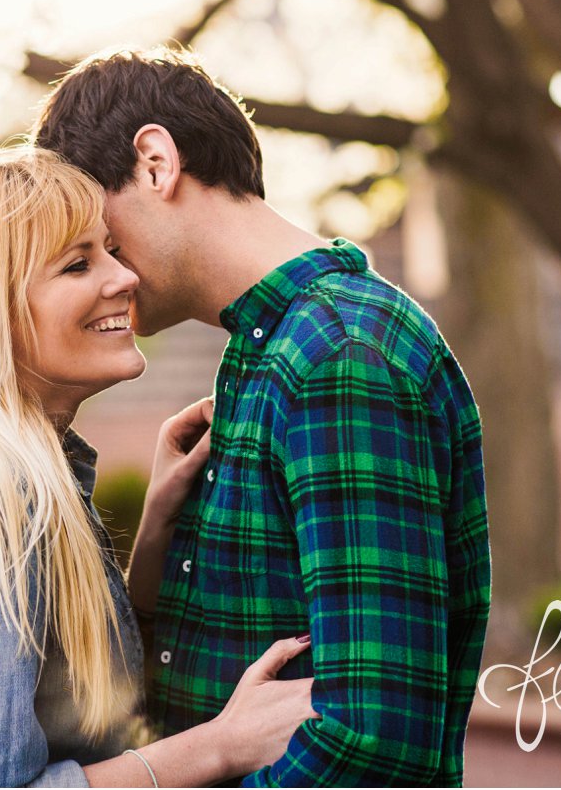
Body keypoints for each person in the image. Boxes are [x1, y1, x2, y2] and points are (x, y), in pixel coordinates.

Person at [32, 47, 492, 786]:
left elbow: (369, 739)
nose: (109, 278)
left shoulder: (339, 354)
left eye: (101, 238)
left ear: (155, 163)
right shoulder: (269, 351)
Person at [0, 147, 319, 787]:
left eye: (111, 248)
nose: (124, 277)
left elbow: (74, 694)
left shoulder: (29, 478)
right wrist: (220, 745)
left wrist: (161, 520)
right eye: (79, 264)